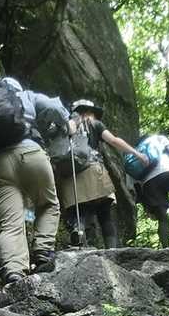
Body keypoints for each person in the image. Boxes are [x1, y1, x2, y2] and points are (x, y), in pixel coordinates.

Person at [0, 76, 61, 290]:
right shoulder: (27, 95)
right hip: (30, 153)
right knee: (48, 204)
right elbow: (54, 107)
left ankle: (14, 273)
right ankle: (42, 252)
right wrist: (65, 124)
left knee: (8, 223)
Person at [58, 99, 143, 248]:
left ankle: (78, 235)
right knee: (104, 213)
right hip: (93, 170)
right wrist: (136, 153)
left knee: (80, 211)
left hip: (71, 176)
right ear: (88, 112)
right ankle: (112, 250)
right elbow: (114, 141)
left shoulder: (66, 126)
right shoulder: (95, 124)